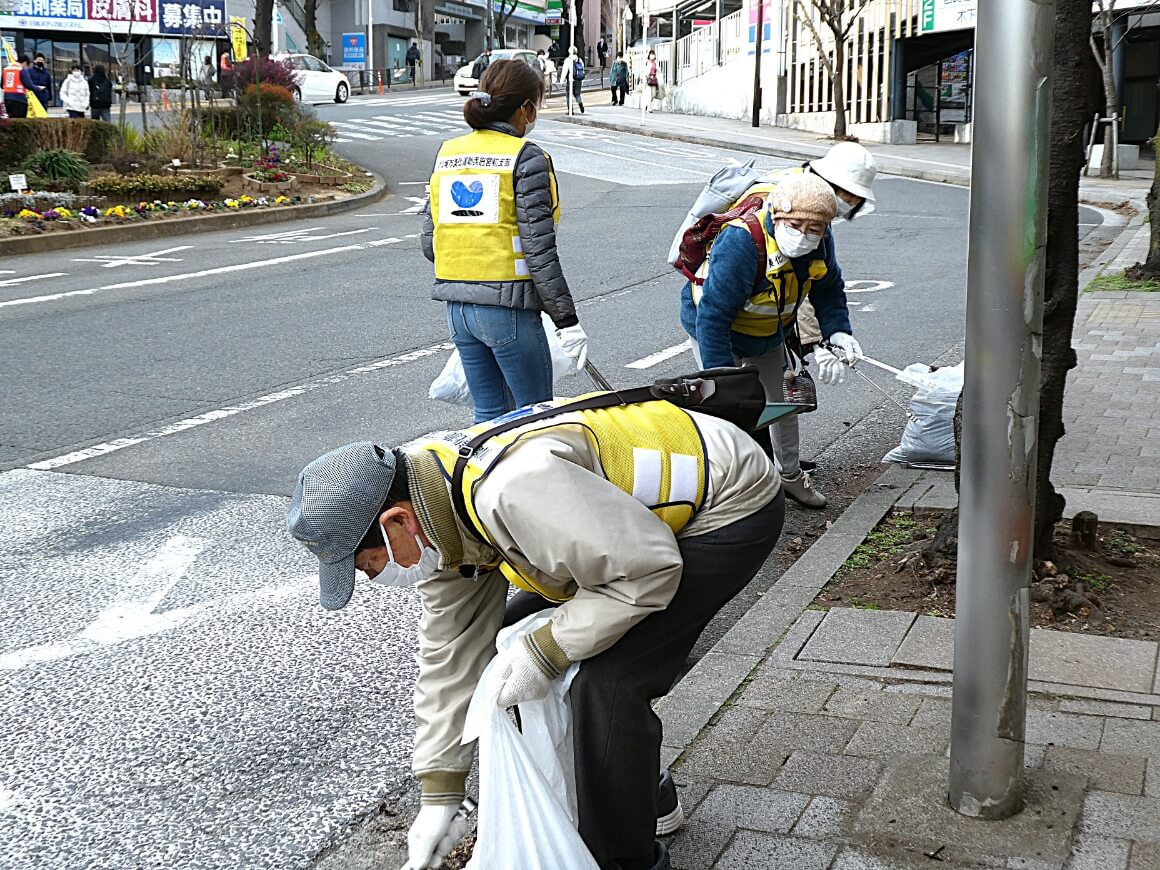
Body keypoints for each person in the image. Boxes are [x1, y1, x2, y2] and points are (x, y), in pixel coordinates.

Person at [286, 395, 786, 870]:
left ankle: (630, 857)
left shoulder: (514, 491)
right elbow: (453, 650)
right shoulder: (436, 514)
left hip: (727, 506)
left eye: (365, 564)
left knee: (604, 681)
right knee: (507, 642)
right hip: (625, 536)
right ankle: (639, 787)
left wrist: (547, 652)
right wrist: (440, 791)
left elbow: (647, 572)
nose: (372, 577)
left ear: (398, 521)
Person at [680, 172, 864, 509]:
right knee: (725, 413)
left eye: (814, 229)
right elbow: (713, 318)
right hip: (715, 328)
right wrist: (724, 381)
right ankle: (732, 486)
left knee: (782, 406)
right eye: (795, 226)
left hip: (766, 331)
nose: (804, 236)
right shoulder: (741, 243)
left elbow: (828, 289)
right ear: (777, 217)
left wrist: (838, 332)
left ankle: (789, 476)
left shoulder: (821, 240)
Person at [421, 59, 587, 423]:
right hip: (509, 310)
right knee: (535, 421)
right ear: (525, 108)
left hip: (457, 309)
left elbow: (430, 243)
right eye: (536, 107)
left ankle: (483, 482)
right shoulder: (525, 158)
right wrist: (567, 321)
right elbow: (539, 250)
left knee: (489, 417)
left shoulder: (448, 153)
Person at [2, 55, 29, 119]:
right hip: (19, 100)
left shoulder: (6, 69)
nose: (26, 67)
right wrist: (39, 88)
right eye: (27, 65)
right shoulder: (21, 70)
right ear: (25, 63)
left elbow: (2, 85)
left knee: (11, 121)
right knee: (20, 122)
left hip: (7, 99)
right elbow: (29, 85)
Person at [563, 44, 584, 114]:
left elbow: (564, 71)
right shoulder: (579, 60)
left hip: (571, 80)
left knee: (569, 95)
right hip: (578, 80)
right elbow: (582, 70)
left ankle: (570, 111)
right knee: (577, 94)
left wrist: (562, 80)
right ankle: (580, 104)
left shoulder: (568, 60)